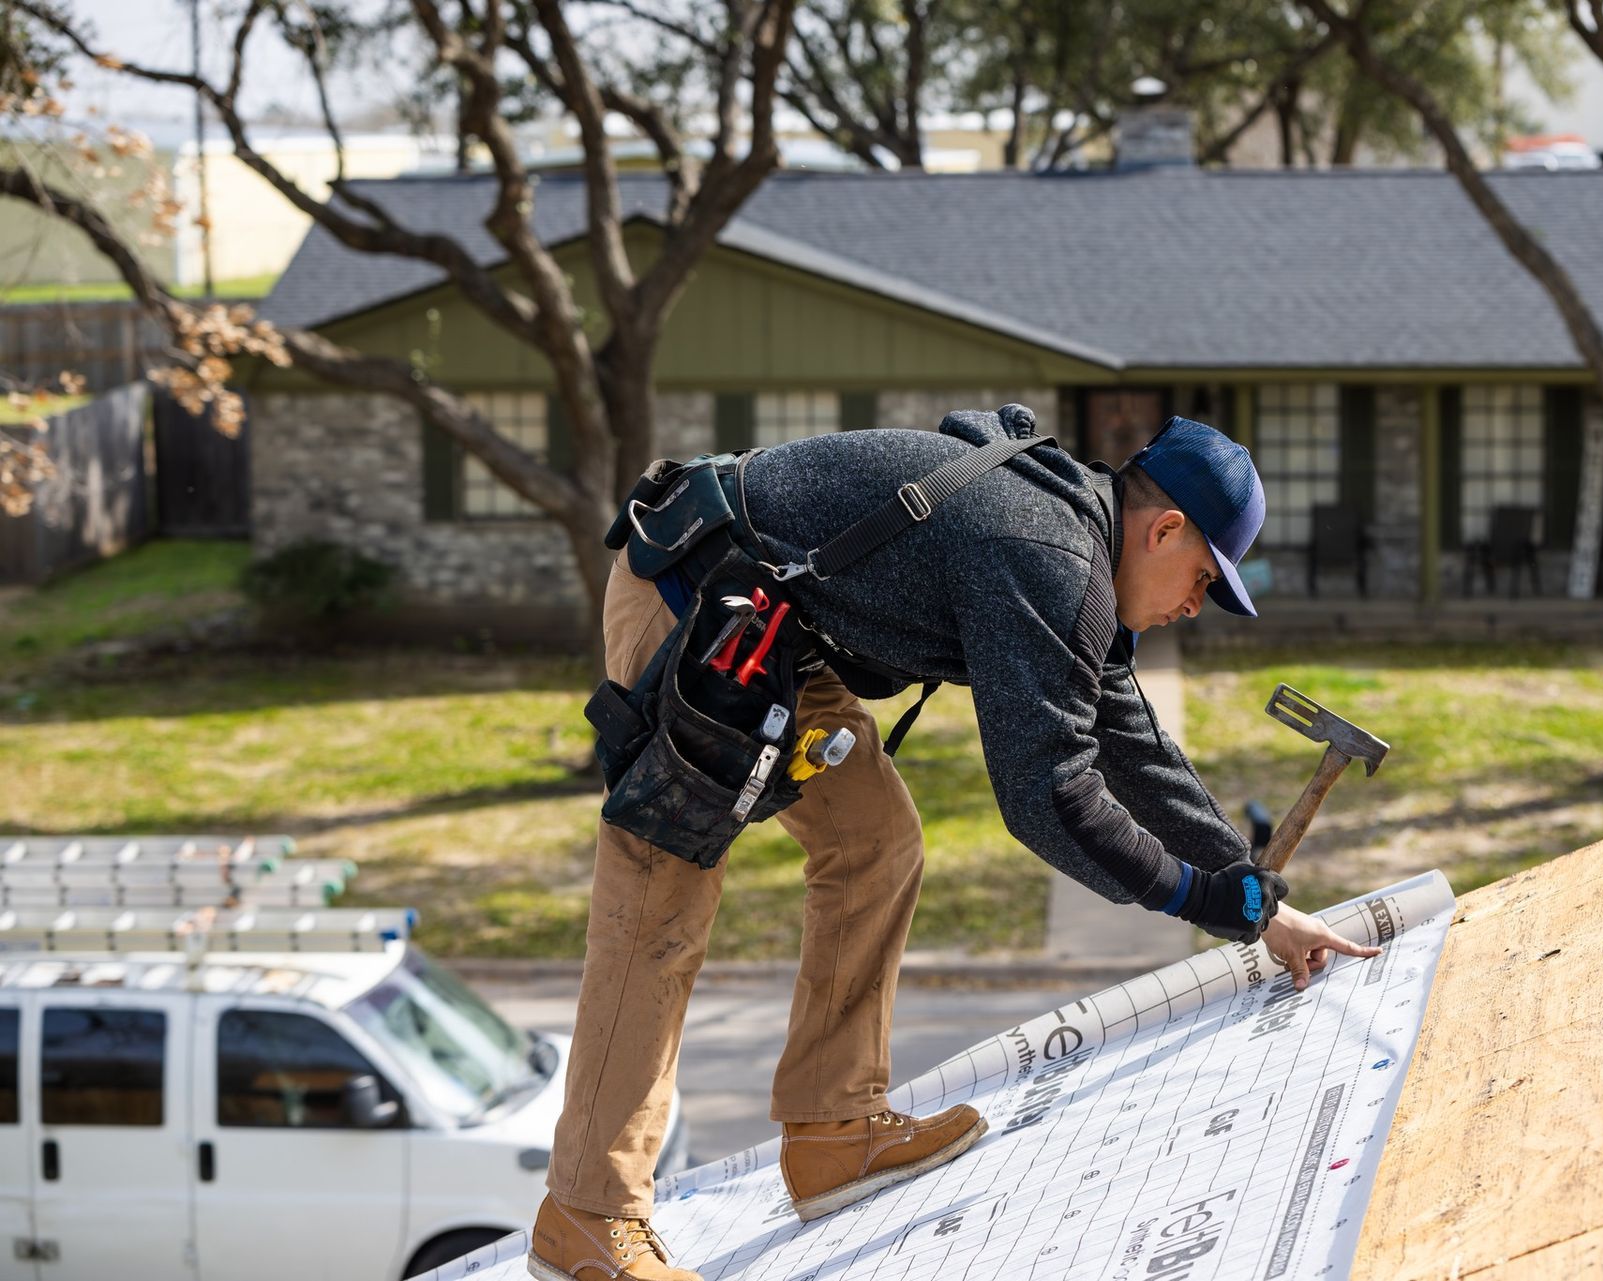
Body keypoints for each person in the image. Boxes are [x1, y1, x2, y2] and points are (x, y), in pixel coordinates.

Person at [528, 407, 1380, 1281]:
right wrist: (1199, 900)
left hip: (786, 630)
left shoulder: (1073, 540)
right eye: (1203, 580)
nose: (1193, 607)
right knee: (659, 899)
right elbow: (1051, 794)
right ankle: (587, 1214)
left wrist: (1256, 899)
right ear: (1163, 529)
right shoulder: (1048, 554)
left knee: (876, 843)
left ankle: (833, 1127)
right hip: (699, 603)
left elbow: (1128, 738)